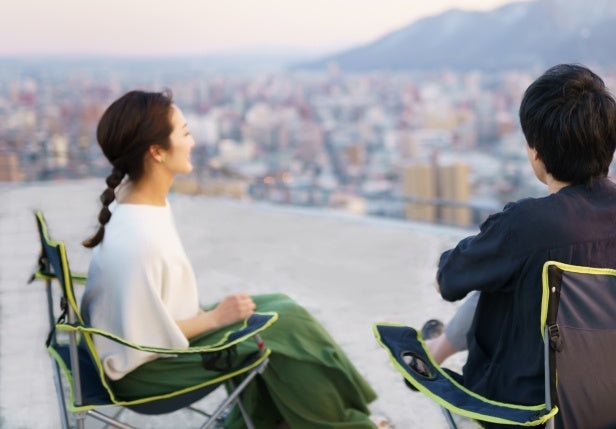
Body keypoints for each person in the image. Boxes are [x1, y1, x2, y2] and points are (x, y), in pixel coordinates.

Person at [80, 89, 387, 429]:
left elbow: (145, 318)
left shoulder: (136, 205)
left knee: (285, 309)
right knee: (287, 329)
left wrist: (213, 316)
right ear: (156, 152)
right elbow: (144, 340)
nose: (192, 142)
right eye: (184, 133)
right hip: (149, 374)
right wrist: (214, 320)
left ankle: (285, 420)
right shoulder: (141, 239)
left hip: (156, 350)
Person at [429, 64, 616, 420]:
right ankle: (439, 344)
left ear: (536, 154)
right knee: (512, 273)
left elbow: (447, 281)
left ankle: (436, 348)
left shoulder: (526, 226)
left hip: (534, 408)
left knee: (499, 278)